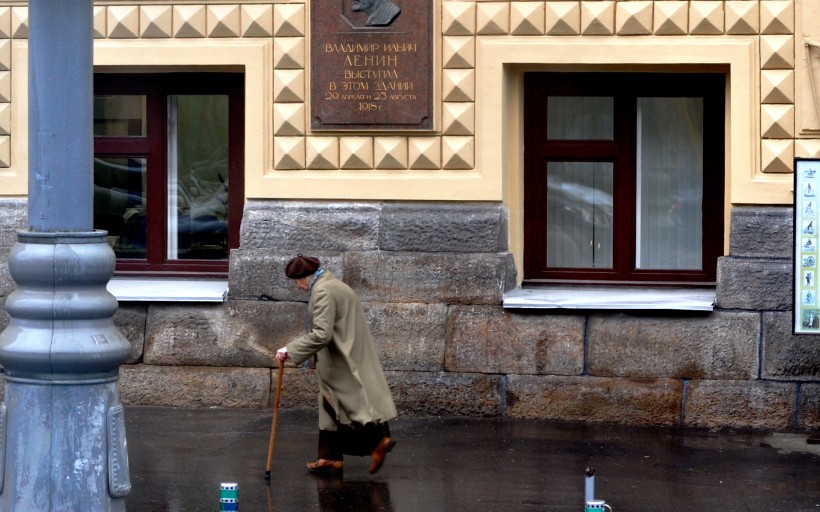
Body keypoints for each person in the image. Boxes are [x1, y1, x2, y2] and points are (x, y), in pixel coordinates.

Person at [276, 255, 398, 474]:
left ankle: (378, 442)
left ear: (307, 276)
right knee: (329, 405)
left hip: (340, 359)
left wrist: (290, 349)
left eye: (298, 281)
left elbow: (322, 334)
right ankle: (329, 457)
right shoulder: (336, 285)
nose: (298, 286)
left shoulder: (322, 292)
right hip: (347, 354)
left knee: (348, 405)